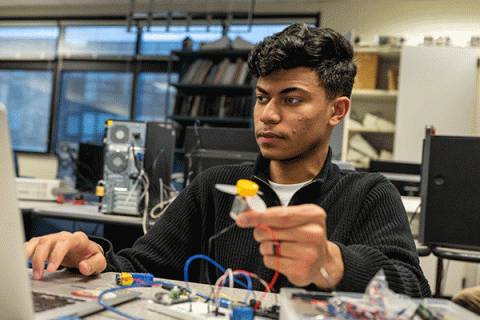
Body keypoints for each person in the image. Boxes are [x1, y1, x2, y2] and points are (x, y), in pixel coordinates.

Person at [25, 24, 431, 297]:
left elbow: (413, 290)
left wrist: (333, 264)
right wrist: (89, 255)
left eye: (291, 99)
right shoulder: (214, 188)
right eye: (261, 98)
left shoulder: (369, 194)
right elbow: (140, 265)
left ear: (337, 110)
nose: (268, 114)